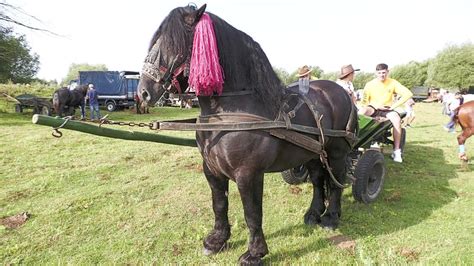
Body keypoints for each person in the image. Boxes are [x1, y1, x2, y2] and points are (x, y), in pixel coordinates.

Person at [358, 63, 413, 163]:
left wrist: (393, 106)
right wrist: (375, 105)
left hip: (387, 109)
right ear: (376, 73)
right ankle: (356, 139)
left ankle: (397, 151)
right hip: (374, 107)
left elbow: (408, 94)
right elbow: (364, 102)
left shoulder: (393, 83)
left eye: (384, 72)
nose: (382, 75)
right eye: (379, 73)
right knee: (362, 111)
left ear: (387, 72)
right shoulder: (369, 84)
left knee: (396, 118)